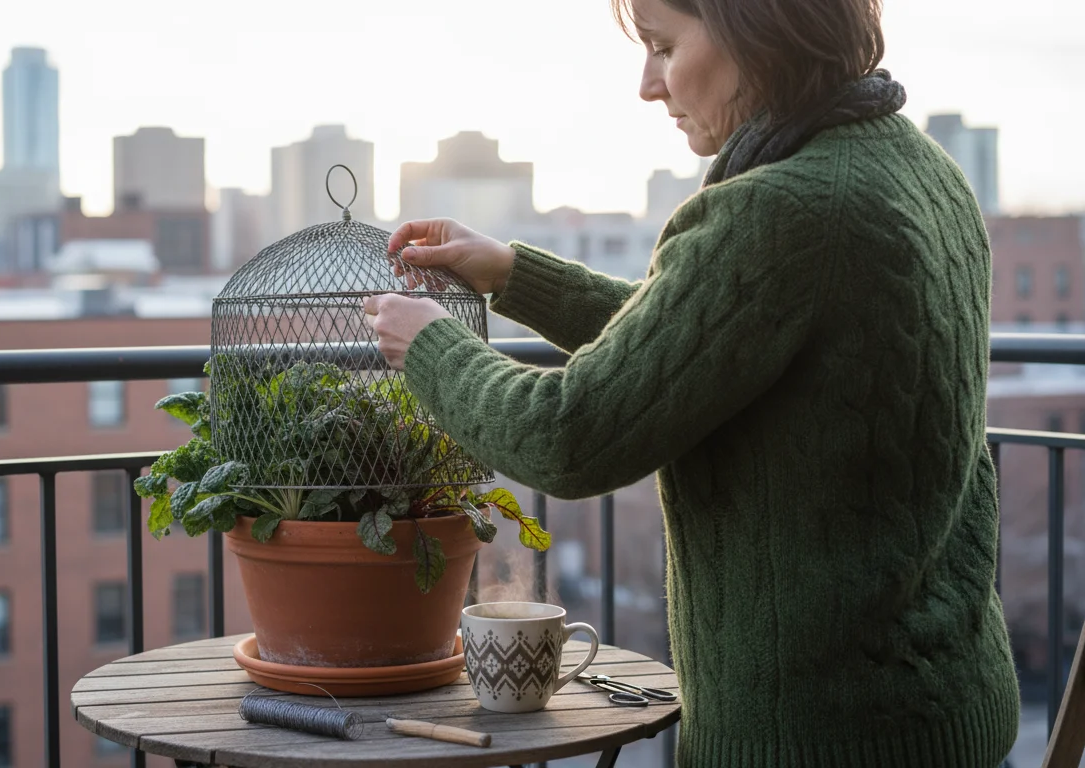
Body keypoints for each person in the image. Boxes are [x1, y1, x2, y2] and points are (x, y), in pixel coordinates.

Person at [362, 0, 1021, 765]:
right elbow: (708, 345)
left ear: (757, 29)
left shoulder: (781, 209)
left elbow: (569, 436)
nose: (649, 84)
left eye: (664, 46)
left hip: (819, 741)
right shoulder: (914, 166)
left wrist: (430, 346)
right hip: (949, 703)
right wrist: (515, 276)